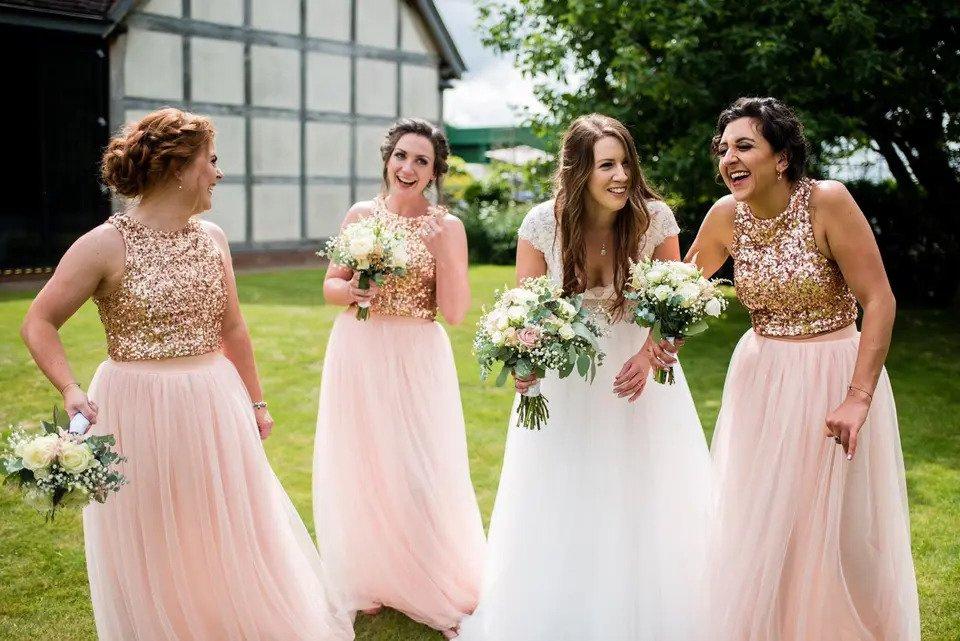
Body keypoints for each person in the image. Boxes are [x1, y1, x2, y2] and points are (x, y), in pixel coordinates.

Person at [20, 108, 354, 641]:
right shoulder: (105, 244)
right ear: (179, 167)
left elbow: (235, 329)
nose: (219, 173)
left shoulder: (213, 238)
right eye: (212, 161)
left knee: (226, 525)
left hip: (214, 398)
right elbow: (39, 321)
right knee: (152, 530)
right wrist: (70, 388)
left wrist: (258, 402)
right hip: (135, 406)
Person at [457, 113, 711, 641]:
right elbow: (528, 310)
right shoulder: (542, 225)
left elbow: (678, 307)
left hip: (636, 373)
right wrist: (524, 364)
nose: (621, 175)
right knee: (563, 491)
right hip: (567, 377)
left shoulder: (654, 219)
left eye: (625, 162)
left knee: (645, 488)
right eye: (606, 165)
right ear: (579, 171)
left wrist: (649, 354)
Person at [675, 96, 920, 640]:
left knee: (829, 523)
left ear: (781, 157)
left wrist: (859, 397)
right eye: (723, 149)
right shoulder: (724, 215)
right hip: (760, 376)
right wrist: (650, 344)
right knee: (762, 517)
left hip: (832, 374)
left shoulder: (827, 202)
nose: (729, 159)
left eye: (745, 146)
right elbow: (678, 292)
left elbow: (879, 299)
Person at [312, 118, 485, 639]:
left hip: (415, 353)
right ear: (387, 159)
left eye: (422, 161)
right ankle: (371, 577)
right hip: (358, 349)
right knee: (363, 462)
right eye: (401, 157)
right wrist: (357, 292)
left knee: (419, 469)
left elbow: (455, 312)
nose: (408, 168)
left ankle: (434, 582)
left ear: (435, 173)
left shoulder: (447, 226)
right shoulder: (361, 215)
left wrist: (441, 251)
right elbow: (330, 286)